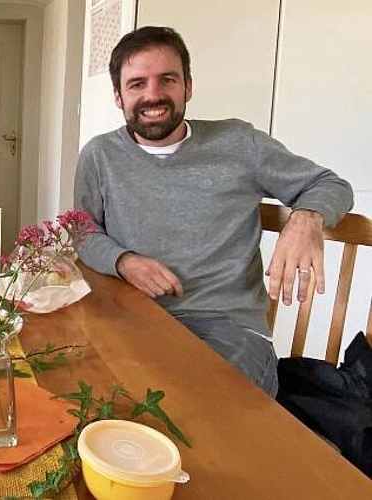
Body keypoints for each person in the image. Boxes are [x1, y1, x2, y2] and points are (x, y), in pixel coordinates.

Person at [73, 26, 353, 396]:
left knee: (206, 410)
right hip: (132, 317)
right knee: (90, 394)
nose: (153, 94)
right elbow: (83, 231)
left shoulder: (239, 143)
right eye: (137, 84)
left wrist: (305, 218)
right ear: (118, 96)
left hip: (229, 328)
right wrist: (125, 261)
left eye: (167, 79)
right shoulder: (99, 155)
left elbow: (331, 185)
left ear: (188, 86)